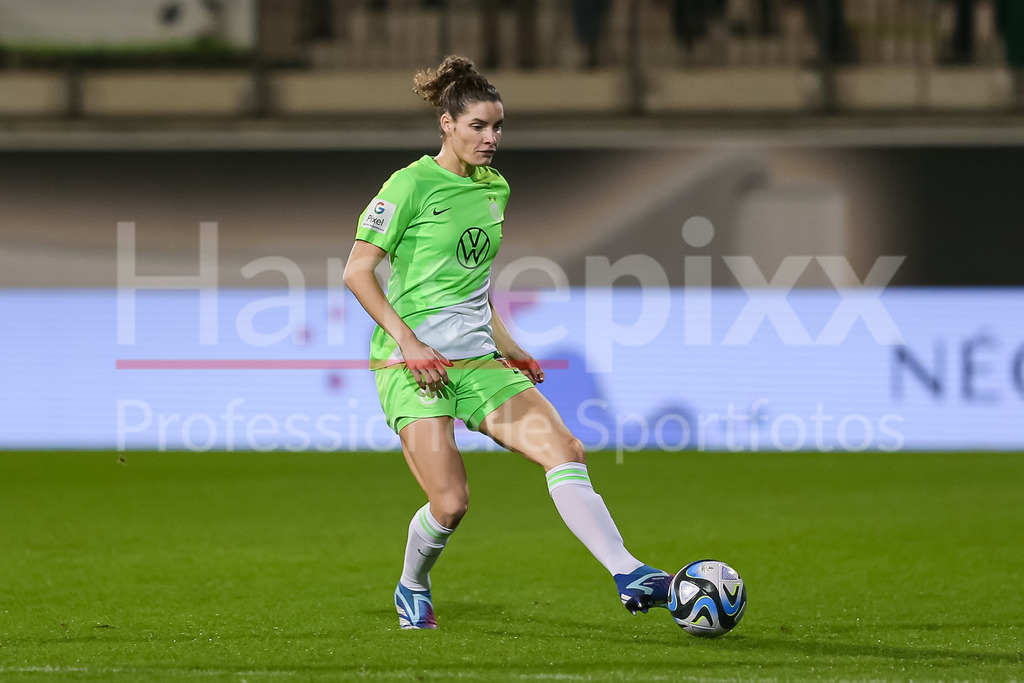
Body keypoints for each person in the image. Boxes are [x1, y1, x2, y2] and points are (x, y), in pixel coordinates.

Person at [342, 55, 671, 630]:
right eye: (479, 127)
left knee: (565, 450)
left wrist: (509, 343)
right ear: (447, 124)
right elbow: (357, 272)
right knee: (450, 505)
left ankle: (627, 571)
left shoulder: (496, 188)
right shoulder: (410, 184)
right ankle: (411, 584)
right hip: (410, 365)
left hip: (478, 359)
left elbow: (474, 284)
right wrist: (410, 342)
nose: (491, 139)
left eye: (498, 127)